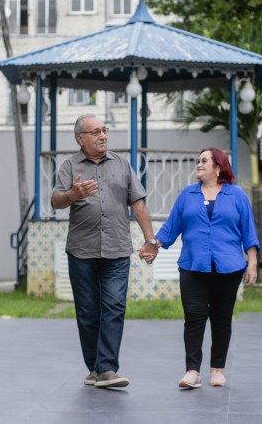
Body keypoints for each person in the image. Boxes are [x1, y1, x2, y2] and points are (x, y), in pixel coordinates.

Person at [51, 114, 158, 388]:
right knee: (87, 311)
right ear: (80, 139)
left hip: (117, 249)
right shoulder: (69, 165)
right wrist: (73, 195)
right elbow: (56, 200)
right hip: (81, 250)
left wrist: (150, 239)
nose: (103, 136)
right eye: (95, 131)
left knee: (114, 307)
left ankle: (107, 368)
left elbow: (138, 203)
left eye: (104, 130)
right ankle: (95, 368)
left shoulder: (122, 164)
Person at [142, 148, 259, 389]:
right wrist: (153, 245)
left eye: (204, 160)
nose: (199, 164)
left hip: (229, 267)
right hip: (193, 266)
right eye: (198, 160)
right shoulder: (187, 194)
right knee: (194, 318)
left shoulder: (236, 195)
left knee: (221, 318)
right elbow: (171, 227)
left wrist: (253, 264)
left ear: (218, 167)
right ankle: (192, 371)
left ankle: (217, 370)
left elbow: (249, 232)